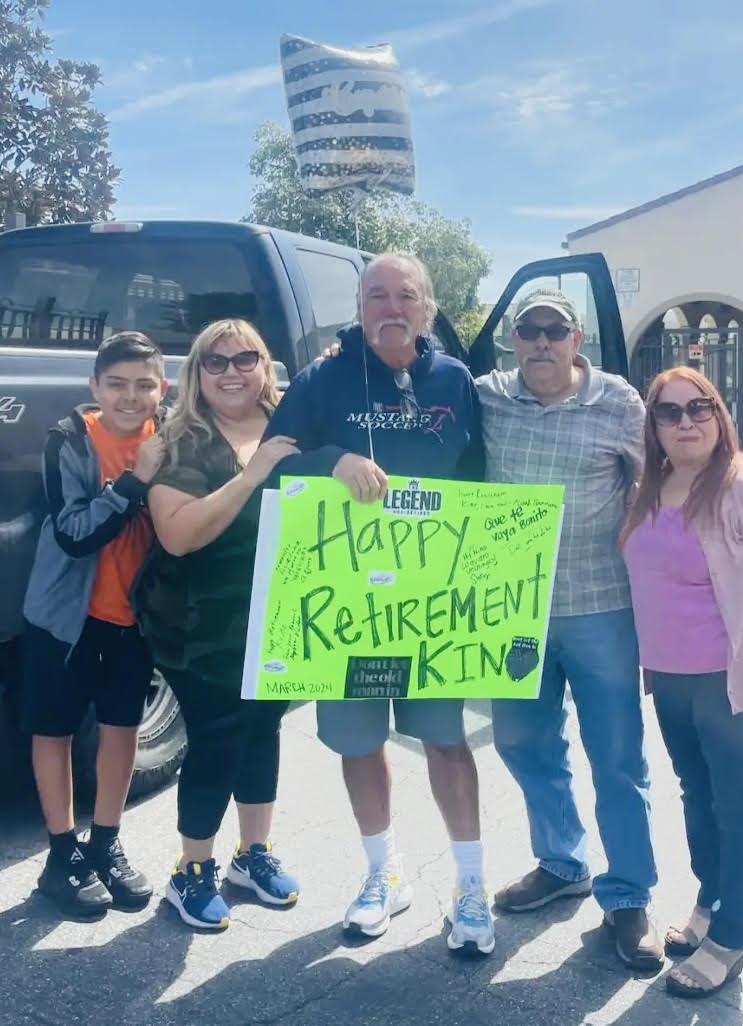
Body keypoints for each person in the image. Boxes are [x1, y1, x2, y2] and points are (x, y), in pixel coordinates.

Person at [264, 252, 494, 955]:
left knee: (446, 743)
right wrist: (330, 458)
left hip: (433, 609)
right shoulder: (323, 376)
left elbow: (482, 478)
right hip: (349, 608)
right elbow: (273, 455)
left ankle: (471, 887)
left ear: (428, 307)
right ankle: (383, 873)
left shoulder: (456, 380)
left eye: (406, 295)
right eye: (376, 295)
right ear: (358, 307)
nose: (391, 307)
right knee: (360, 744)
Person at [477, 288, 664, 971]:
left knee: (617, 757)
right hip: (512, 610)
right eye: (528, 332)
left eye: (554, 331)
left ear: (576, 337)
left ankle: (628, 894)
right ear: (514, 340)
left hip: (601, 606)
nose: (541, 344)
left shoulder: (617, 402)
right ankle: (562, 862)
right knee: (523, 741)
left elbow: (655, 493)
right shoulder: (487, 396)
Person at [621, 366, 743, 998]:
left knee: (738, 804)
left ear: (719, 414)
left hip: (732, 680)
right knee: (696, 794)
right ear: (652, 426)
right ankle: (710, 901)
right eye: (669, 412)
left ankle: (731, 935)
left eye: (698, 408)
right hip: (669, 677)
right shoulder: (650, 487)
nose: (685, 422)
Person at [136, 319, 300, 930]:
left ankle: (251, 855)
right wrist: (253, 474)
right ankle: (191, 870)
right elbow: (178, 537)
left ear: (265, 366)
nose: (232, 371)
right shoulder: (178, 441)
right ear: (196, 373)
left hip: (277, 617)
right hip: (196, 622)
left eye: (245, 358)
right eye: (216, 361)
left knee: (263, 731)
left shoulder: (292, 430)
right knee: (218, 738)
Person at [22, 332, 167, 918]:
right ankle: (62, 855)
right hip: (66, 618)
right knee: (53, 730)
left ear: (162, 389)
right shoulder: (70, 442)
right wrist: (133, 484)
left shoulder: (172, 440)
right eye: (117, 385)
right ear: (95, 387)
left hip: (134, 619)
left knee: (121, 729)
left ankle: (105, 842)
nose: (130, 398)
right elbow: (74, 534)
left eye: (144, 385)